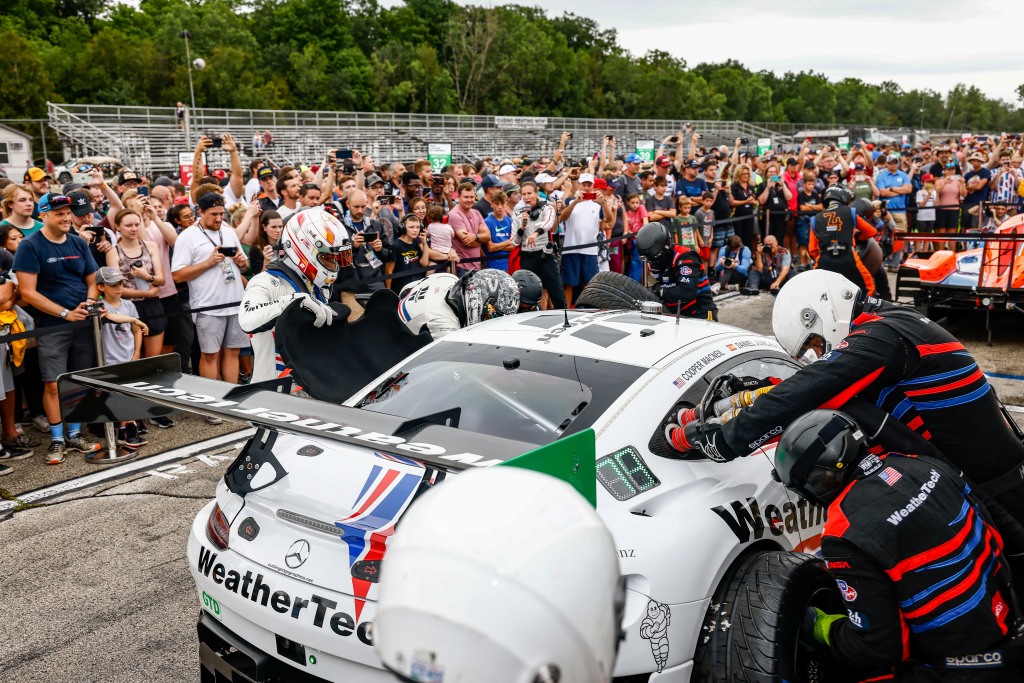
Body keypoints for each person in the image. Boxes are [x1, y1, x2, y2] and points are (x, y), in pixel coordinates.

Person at [668, 269, 1024, 526]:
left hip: (995, 489)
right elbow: (824, 383)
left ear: (818, 313)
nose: (817, 354)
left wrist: (726, 440)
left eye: (814, 344)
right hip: (984, 474)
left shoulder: (881, 335)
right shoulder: (890, 320)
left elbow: (809, 389)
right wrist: (760, 389)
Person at [775, 410, 1020, 683]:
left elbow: (878, 647)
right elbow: (994, 534)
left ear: (819, 476)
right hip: (1011, 627)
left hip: (961, 667)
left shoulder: (843, 531)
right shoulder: (924, 465)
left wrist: (820, 627)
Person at [12, 193, 103, 463]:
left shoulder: (78, 242)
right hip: (52, 326)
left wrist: (89, 303)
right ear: (44, 215)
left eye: (67, 213)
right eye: (59, 213)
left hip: (83, 321)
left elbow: (92, 281)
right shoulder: (30, 245)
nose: (65, 218)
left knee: (79, 379)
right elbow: (28, 293)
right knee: (53, 383)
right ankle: (57, 439)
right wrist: (65, 313)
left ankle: (74, 434)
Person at [239, 207, 347, 383]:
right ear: (304, 249)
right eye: (328, 257)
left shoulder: (317, 285)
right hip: (273, 388)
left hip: (311, 385)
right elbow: (247, 319)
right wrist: (293, 301)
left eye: (335, 258)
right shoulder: (265, 281)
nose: (334, 263)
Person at [171, 192, 249, 411]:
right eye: (213, 214)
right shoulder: (188, 237)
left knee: (233, 351)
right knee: (210, 355)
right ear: (201, 212)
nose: (218, 218)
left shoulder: (228, 231)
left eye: (221, 214)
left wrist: (241, 262)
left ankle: (231, 401)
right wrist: (208, 262)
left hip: (235, 302)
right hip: (208, 306)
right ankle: (212, 405)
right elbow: (177, 275)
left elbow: (244, 266)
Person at [95, 266, 149, 449]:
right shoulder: (99, 305)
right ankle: (129, 428)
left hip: (129, 355)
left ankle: (126, 429)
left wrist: (137, 352)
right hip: (111, 358)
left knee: (130, 393)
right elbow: (111, 316)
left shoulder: (129, 305)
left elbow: (136, 331)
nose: (118, 288)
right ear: (101, 287)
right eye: (113, 285)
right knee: (120, 395)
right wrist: (135, 320)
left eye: (120, 283)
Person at [107, 208, 166, 359]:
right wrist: (147, 292)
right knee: (131, 357)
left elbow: (161, 279)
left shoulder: (150, 246)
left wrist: (147, 276)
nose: (134, 229)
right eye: (128, 225)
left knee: (154, 358)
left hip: (152, 306)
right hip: (127, 307)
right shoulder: (113, 252)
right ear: (117, 227)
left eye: (137, 224)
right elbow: (117, 289)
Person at [398, 269, 519, 339]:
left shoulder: (447, 278)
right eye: (492, 315)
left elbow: (405, 289)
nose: (491, 320)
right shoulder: (445, 327)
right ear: (478, 300)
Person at [635, 222, 716, 320]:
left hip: (700, 311)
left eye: (656, 257)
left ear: (666, 247)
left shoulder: (685, 256)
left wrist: (659, 292)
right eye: (647, 259)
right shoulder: (651, 261)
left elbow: (687, 292)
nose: (653, 262)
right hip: (675, 313)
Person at [808, 184, 878, 295]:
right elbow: (872, 231)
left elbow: (812, 249)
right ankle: (858, 306)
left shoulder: (815, 219)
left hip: (824, 259)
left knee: (815, 289)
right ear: (844, 197)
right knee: (868, 287)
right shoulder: (851, 212)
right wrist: (857, 237)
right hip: (848, 257)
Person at [513, 181, 565, 309]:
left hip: (545, 255)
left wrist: (535, 233)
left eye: (529, 193)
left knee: (557, 292)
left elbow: (548, 223)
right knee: (527, 294)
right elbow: (515, 241)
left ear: (536, 193)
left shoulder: (547, 208)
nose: (527, 197)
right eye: (524, 194)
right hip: (527, 257)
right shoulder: (518, 214)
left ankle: (563, 313)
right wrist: (522, 228)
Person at [559, 173, 606, 305]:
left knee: (589, 284)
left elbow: (603, 226)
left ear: (593, 187)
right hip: (571, 249)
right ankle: (566, 311)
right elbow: (563, 217)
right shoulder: (570, 201)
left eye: (589, 185)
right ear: (579, 186)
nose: (586, 188)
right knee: (569, 284)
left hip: (590, 250)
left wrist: (605, 204)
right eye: (584, 185)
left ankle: (589, 310)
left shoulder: (598, 204)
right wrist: (575, 202)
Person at [447, 183, 491, 276]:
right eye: (466, 197)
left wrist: (475, 236)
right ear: (459, 197)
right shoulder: (454, 215)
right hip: (462, 267)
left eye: (472, 197)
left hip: (477, 265)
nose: (469, 200)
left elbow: (488, 236)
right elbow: (468, 242)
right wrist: (481, 238)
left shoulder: (476, 213)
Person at [386, 213, 431, 292]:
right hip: (402, 289)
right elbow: (389, 271)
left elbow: (424, 263)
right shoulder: (396, 246)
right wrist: (389, 292)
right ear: (403, 228)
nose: (415, 230)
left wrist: (424, 243)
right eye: (411, 227)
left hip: (416, 287)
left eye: (418, 227)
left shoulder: (415, 243)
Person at [482, 191, 514, 271]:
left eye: (502, 203)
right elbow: (490, 247)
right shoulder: (486, 222)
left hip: (509, 264)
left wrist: (497, 246)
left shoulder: (510, 221)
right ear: (491, 204)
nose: (500, 207)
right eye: (497, 204)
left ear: (506, 203)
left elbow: (514, 246)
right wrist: (507, 242)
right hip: (493, 265)